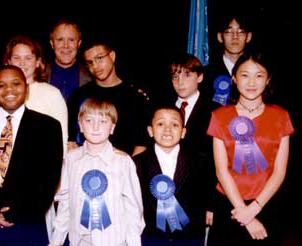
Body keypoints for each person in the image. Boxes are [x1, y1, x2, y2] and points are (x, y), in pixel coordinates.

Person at [207, 51, 294, 245]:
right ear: (234, 79)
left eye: (259, 75)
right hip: (229, 205)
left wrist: (254, 209)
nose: (252, 82)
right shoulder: (219, 116)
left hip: (267, 205)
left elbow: (280, 172)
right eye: (245, 75)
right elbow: (222, 172)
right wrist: (245, 215)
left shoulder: (281, 116)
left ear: (268, 79)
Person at [0, 65, 63, 245]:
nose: (9, 90)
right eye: (1, 85)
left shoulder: (48, 127)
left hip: (27, 228)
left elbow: (49, 180)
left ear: (26, 89)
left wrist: (14, 214)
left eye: (15, 84)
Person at [50, 98, 145, 246]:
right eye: (89, 120)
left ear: (112, 127)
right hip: (79, 241)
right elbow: (65, 203)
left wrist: (134, 243)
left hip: (115, 241)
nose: (95, 127)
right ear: (80, 126)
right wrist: (56, 241)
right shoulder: (71, 159)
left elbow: (133, 208)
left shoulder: (123, 162)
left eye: (103, 122)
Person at [0, 35, 68, 153]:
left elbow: (61, 142)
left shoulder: (52, 94)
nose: (22, 63)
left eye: (28, 58)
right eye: (17, 58)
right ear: (8, 62)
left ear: (38, 62)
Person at [133, 106, 206, 245]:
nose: (167, 129)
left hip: (189, 237)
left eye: (174, 124)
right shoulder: (136, 163)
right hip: (151, 237)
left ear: (183, 132)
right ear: (150, 130)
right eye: (160, 124)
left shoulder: (198, 161)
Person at [67, 39, 149, 156]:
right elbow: (71, 142)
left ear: (112, 56)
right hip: (86, 169)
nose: (95, 66)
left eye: (99, 58)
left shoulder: (135, 97)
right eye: (90, 62)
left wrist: (127, 170)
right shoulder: (78, 96)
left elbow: (141, 145)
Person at [167, 54, 220, 228]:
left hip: (199, 197)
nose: (180, 82)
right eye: (175, 76)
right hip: (164, 193)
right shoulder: (162, 108)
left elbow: (216, 162)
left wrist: (211, 204)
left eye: (187, 75)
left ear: (200, 77)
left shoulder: (215, 112)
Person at [203, 13, 253, 105]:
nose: (235, 36)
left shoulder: (258, 74)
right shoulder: (205, 75)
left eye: (241, 31)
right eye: (229, 31)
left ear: (248, 37)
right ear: (220, 37)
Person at [47, 19, 91, 100]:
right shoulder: (38, 76)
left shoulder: (92, 76)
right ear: (52, 44)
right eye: (60, 40)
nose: (66, 45)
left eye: (71, 40)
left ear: (79, 44)